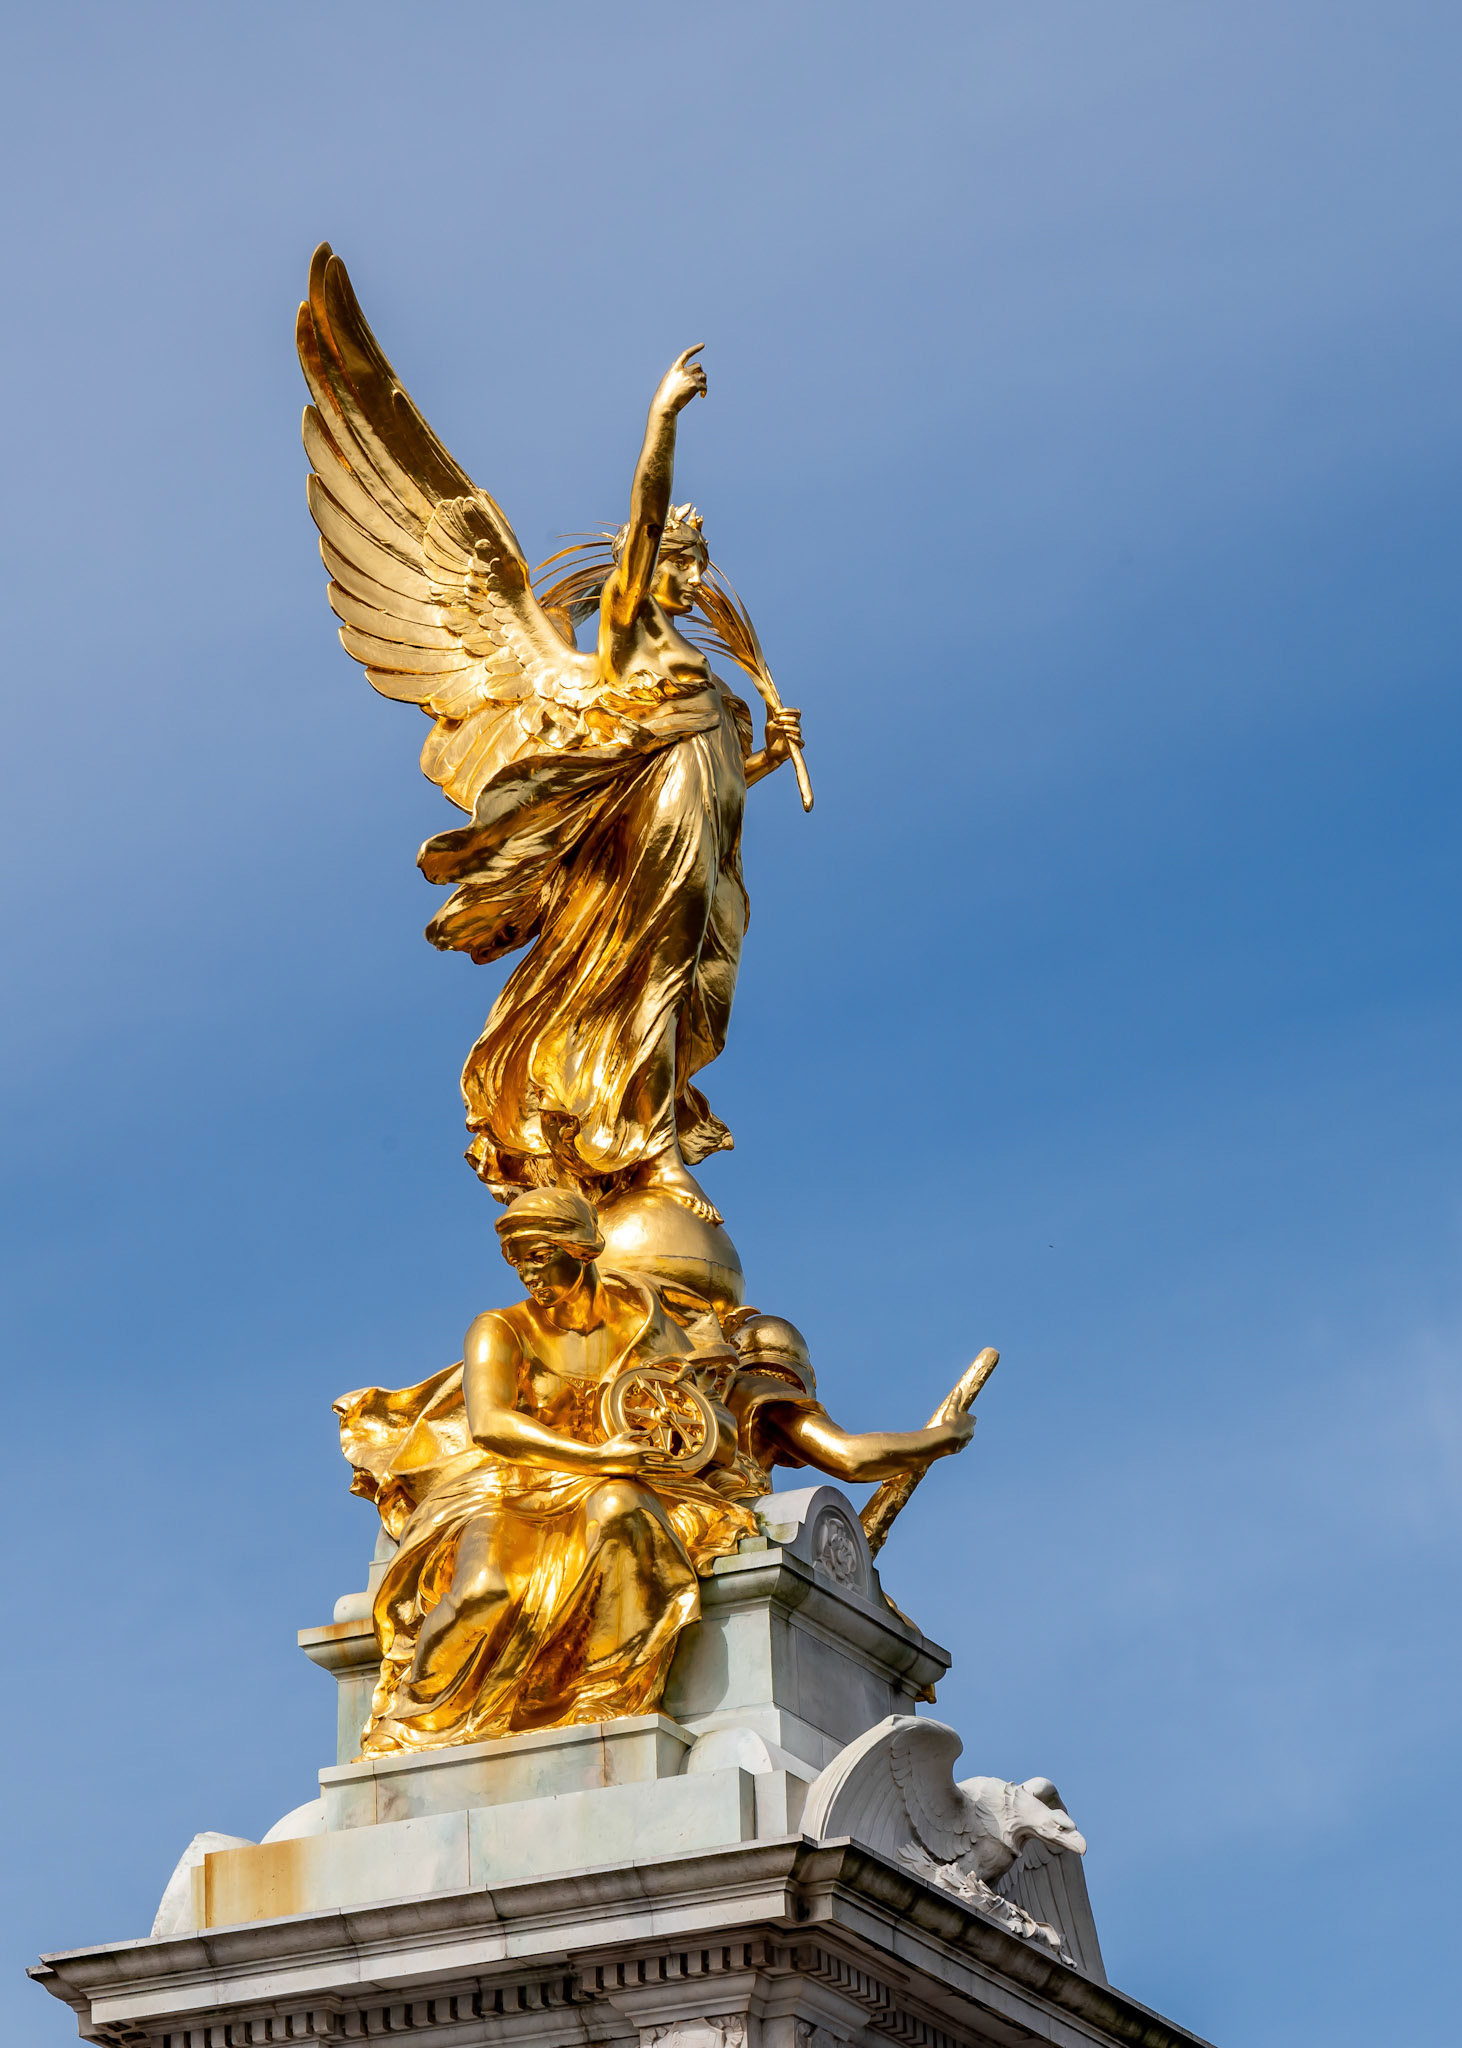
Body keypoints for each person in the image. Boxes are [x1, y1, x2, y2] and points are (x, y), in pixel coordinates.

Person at [335, 1193, 972, 1755]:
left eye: (538, 1253)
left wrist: (935, 1441)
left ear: (580, 1249)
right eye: (516, 1257)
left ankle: (605, 1698)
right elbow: (492, 1426)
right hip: (515, 1482)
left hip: (617, 1481)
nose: (526, 1269)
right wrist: (599, 1456)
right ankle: (413, 1721)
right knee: (483, 1590)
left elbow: (691, 1412)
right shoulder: (499, 1329)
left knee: (623, 1514)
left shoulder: (641, 1320)